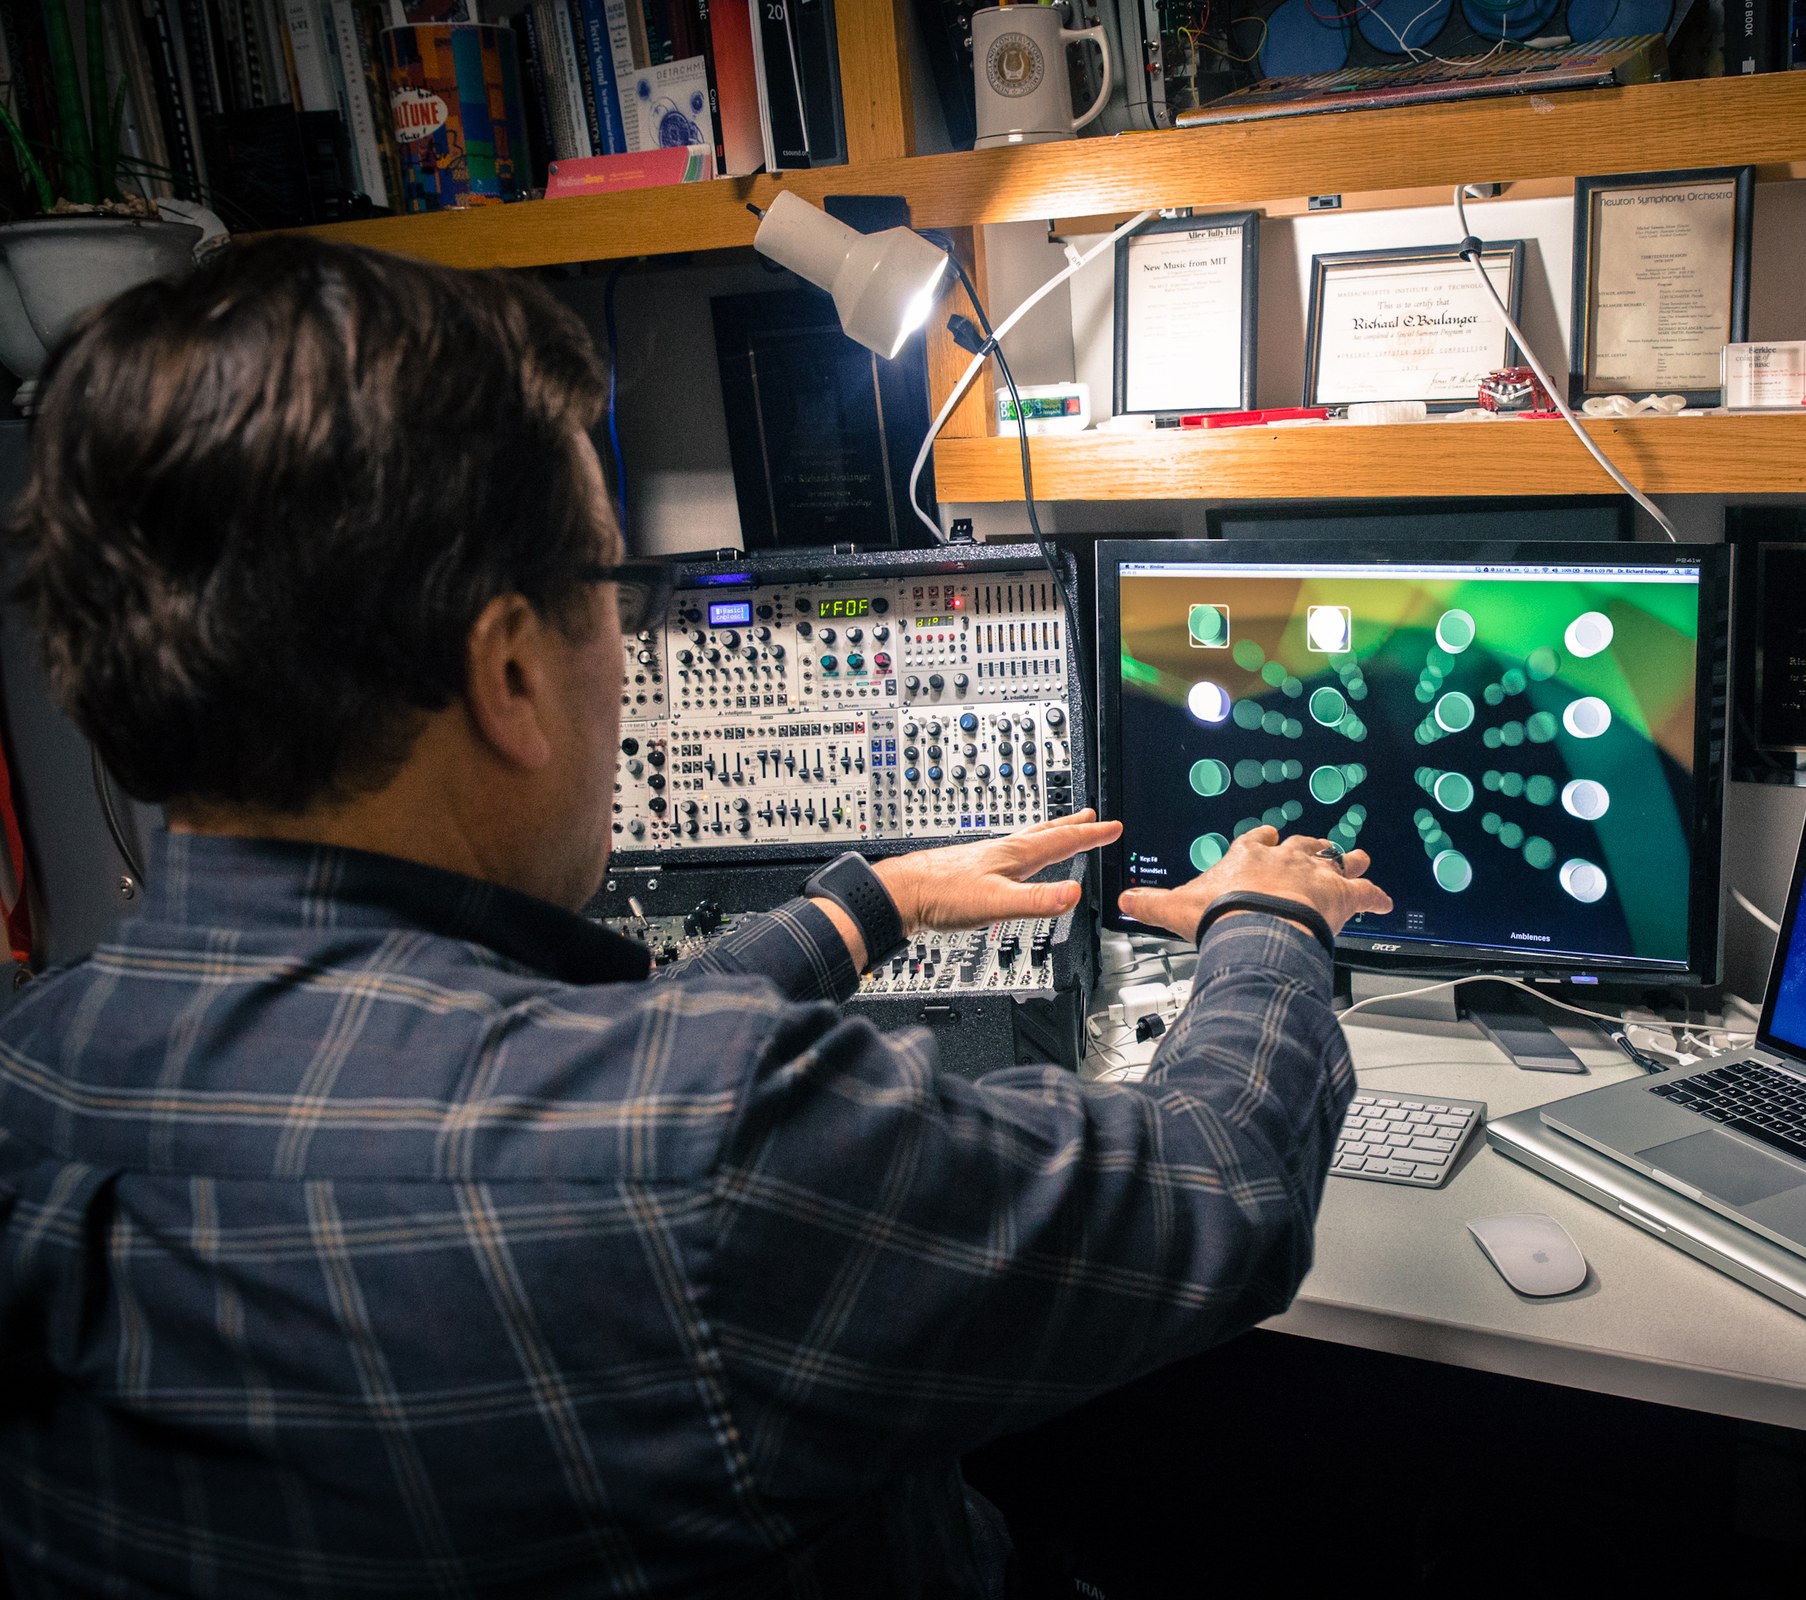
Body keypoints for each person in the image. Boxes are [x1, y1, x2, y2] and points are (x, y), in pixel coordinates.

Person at [0, 237, 1389, 1598]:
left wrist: (867, 904)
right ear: (510, 676)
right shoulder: (702, 1156)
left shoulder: (36, 1069)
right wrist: (1267, 925)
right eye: (614, 593)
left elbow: (550, 1095)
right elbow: (1221, 1192)